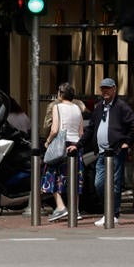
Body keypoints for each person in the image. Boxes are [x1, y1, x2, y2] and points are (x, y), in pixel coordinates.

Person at [85, 75, 134, 224]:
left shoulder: (121, 106)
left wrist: (127, 142)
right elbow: (91, 128)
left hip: (116, 151)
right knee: (99, 184)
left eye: (107, 88)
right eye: (102, 88)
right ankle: (108, 211)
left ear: (114, 89)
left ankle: (113, 214)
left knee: (115, 183)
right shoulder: (99, 107)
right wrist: (79, 144)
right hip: (102, 152)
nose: (105, 91)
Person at [42, 81, 84, 222]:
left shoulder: (57, 107)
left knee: (51, 175)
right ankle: (76, 210)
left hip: (61, 145)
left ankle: (60, 207)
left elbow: (54, 129)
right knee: (74, 178)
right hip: (75, 145)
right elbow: (81, 131)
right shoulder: (78, 109)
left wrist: (48, 141)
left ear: (60, 94)